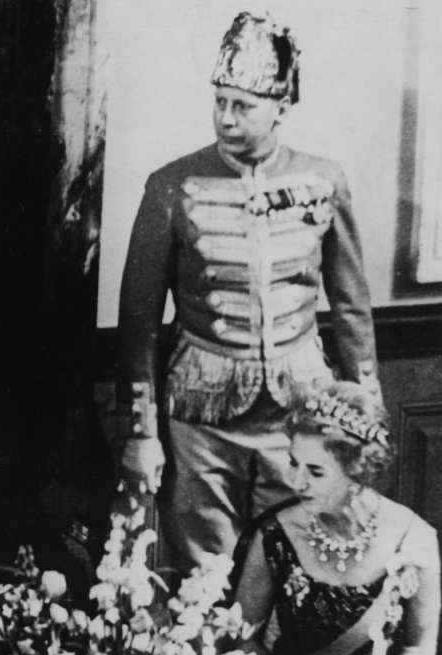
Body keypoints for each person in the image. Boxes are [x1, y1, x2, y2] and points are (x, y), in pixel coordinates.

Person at [116, 12, 379, 573]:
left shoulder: (323, 179)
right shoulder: (170, 185)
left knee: (294, 561)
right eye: (219, 102)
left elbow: (352, 305)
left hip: (300, 416)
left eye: (243, 106)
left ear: (281, 105)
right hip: (200, 414)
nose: (226, 119)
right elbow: (137, 320)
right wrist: (142, 432)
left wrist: (365, 408)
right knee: (201, 574)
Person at [234, 384, 439, 655]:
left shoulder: (414, 539)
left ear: (358, 471)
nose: (295, 481)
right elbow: (242, 636)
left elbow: (418, 649)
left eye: (315, 472)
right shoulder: (273, 536)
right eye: (293, 463)